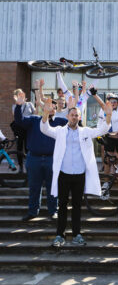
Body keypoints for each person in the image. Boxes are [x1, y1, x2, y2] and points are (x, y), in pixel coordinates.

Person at [40, 100, 112, 247]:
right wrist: (46, 112)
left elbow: (103, 129)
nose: (74, 117)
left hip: (79, 175)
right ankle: (60, 235)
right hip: (63, 175)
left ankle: (76, 234)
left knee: (78, 206)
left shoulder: (85, 131)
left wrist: (108, 115)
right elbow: (45, 129)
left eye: (77, 115)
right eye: (72, 115)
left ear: (80, 118)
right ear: (67, 116)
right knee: (62, 205)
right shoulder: (60, 131)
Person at [14, 91, 68, 221]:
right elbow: (19, 120)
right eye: (48, 107)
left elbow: (76, 123)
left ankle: (53, 211)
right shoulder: (34, 120)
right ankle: (33, 212)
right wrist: (18, 106)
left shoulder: (61, 121)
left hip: (52, 159)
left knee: (52, 187)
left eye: (53, 108)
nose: (51, 109)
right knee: (34, 187)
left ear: (56, 110)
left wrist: (72, 107)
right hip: (34, 158)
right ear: (44, 108)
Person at [11, 88, 36, 173]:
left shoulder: (29, 104)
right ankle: (21, 167)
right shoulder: (14, 106)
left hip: (28, 129)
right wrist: (19, 104)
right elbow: (16, 117)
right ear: (16, 97)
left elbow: (35, 114)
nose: (21, 96)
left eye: (22, 94)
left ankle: (29, 166)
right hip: (19, 129)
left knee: (28, 148)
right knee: (19, 148)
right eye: (19, 95)